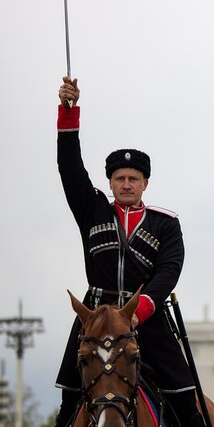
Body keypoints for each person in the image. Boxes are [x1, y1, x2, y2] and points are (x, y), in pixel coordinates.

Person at [54, 77, 205, 427]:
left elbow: (169, 271)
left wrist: (140, 312)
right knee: (66, 404)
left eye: (133, 179)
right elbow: (69, 168)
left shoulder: (165, 223)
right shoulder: (92, 210)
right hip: (95, 318)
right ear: (109, 183)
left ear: (144, 184)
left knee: (186, 401)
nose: (126, 184)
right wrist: (68, 111)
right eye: (119, 178)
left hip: (144, 319)